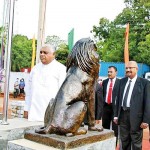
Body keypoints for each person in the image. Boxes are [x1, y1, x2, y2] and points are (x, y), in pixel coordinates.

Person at [24, 44, 66, 121]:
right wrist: (26, 108)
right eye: (41, 52)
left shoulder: (61, 69)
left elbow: (63, 93)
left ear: (54, 54)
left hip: (51, 115)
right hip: (33, 114)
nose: (42, 54)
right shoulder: (35, 69)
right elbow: (28, 90)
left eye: (45, 52)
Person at [114, 61, 150, 150]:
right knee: (124, 140)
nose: (128, 69)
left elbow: (147, 102)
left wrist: (146, 120)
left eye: (131, 68)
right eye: (127, 68)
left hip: (136, 118)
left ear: (136, 69)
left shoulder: (144, 83)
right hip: (122, 115)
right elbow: (118, 100)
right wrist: (116, 115)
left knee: (136, 143)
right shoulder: (121, 81)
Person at [102, 66, 120, 146]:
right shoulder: (105, 82)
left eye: (111, 72)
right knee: (104, 127)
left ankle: (114, 145)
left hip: (115, 108)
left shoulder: (120, 82)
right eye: (108, 71)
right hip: (106, 107)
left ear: (116, 72)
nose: (109, 73)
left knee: (115, 128)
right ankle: (105, 144)